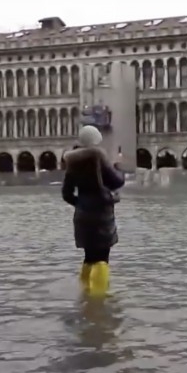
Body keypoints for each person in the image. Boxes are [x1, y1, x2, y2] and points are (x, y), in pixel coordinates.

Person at [62, 125, 125, 295]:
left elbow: (66, 194)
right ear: (96, 140)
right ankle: (98, 300)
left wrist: (82, 204)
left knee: (89, 257)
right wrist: (119, 166)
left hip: (82, 215)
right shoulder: (98, 155)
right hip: (101, 214)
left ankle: (85, 294)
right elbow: (116, 182)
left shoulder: (72, 161)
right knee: (102, 258)